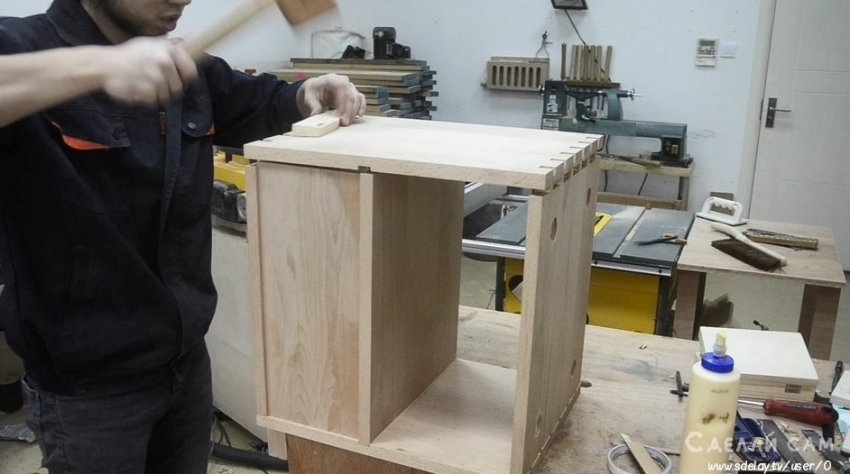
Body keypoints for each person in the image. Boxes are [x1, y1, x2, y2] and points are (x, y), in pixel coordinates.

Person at [0, 0, 365, 472]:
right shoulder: (22, 48)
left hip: (187, 362)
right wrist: (98, 66)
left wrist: (308, 93)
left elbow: (258, 102)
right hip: (88, 391)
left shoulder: (184, 66)